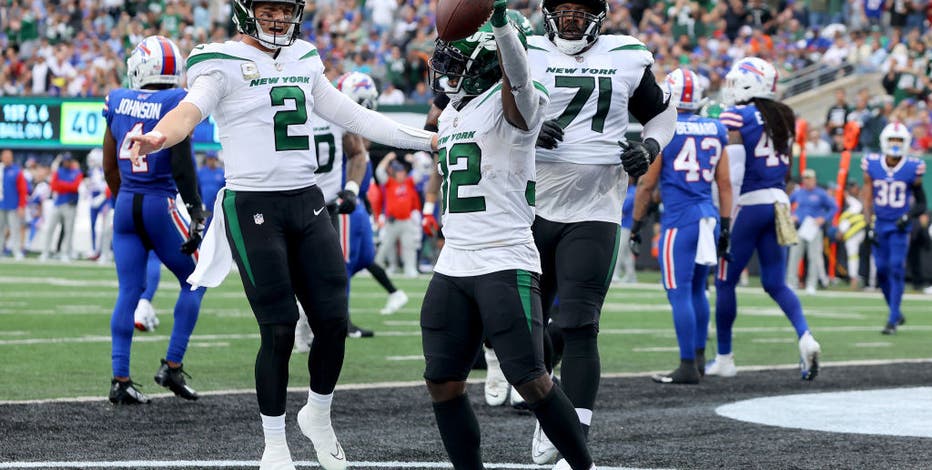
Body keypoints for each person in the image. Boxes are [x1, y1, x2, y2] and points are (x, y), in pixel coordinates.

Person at [128, 1, 436, 468]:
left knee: (333, 323)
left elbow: (354, 116)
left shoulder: (304, 58)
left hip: (307, 200)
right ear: (246, 11)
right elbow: (189, 112)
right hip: (253, 204)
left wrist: (427, 139)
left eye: (285, 9)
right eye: (268, 8)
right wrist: (158, 135)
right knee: (278, 330)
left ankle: (318, 414)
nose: (278, 18)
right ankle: (274, 443)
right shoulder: (219, 61)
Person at [423, 5, 595, 469]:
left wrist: (498, 22)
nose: (448, 74)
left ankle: (583, 466)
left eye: (458, 63)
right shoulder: (451, 114)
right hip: (454, 260)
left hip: (504, 258)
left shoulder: (516, 102)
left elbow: (518, 81)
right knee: (442, 379)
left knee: (532, 379)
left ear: (487, 58)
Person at [526, 0, 676, 462]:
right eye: (563, 7)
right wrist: (530, 127)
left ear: (600, 16)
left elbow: (662, 115)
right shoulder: (523, 49)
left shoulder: (627, 54)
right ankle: (546, 407)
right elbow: (486, 111)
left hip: (596, 206)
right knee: (529, 329)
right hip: (527, 205)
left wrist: (649, 146)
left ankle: (573, 434)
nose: (571, 16)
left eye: (581, 8)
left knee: (579, 324)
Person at [102, 35, 208, 405]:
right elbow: (180, 162)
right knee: (196, 279)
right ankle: (172, 365)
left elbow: (109, 165)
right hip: (159, 202)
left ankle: (120, 379)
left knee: (128, 291)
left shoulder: (116, 99)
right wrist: (196, 210)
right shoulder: (176, 100)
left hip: (127, 201)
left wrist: (125, 198)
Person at [710, 57, 821, 380]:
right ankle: (805, 336)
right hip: (779, 202)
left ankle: (725, 357)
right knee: (775, 282)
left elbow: (726, 158)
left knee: (725, 281)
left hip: (749, 202)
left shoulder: (739, 115)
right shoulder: (784, 116)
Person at [630, 68, 732, 384]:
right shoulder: (716, 128)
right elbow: (725, 183)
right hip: (709, 216)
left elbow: (647, 183)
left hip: (680, 221)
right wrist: (726, 224)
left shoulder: (668, 127)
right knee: (699, 289)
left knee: (679, 293)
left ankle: (687, 364)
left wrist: (636, 224)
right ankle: (699, 358)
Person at [294, 71, 407, 347]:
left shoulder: (350, 128)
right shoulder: (335, 121)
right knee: (334, 269)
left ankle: (332, 319)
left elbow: (360, 152)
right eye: (363, 101)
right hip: (336, 204)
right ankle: (326, 323)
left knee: (363, 257)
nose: (367, 107)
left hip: (354, 202)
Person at [862, 122, 927, 334]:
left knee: (896, 268)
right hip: (880, 223)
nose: (896, 144)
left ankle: (891, 320)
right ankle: (896, 312)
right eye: (893, 140)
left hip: (900, 226)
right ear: (884, 141)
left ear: (906, 143)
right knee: (881, 271)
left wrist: (908, 216)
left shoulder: (912, 167)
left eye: (899, 140)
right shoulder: (872, 164)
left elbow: (921, 202)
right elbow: (868, 195)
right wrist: (867, 223)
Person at [786, 168, 837, 294]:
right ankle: (791, 283)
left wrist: (823, 219)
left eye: (809, 179)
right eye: (805, 178)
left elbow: (834, 207)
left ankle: (811, 284)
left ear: (814, 180)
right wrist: (791, 215)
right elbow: (786, 204)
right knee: (794, 255)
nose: (807, 181)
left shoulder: (820, 193)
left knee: (814, 257)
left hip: (814, 228)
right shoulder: (798, 193)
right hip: (799, 227)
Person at [40, 153, 83, 262]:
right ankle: (45, 251)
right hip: (58, 203)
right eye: (65, 161)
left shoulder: (77, 172)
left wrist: (62, 185)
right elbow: (53, 186)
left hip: (70, 204)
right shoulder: (58, 171)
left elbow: (75, 186)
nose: (66, 163)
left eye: (68, 161)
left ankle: (65, 253)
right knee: (50, 228)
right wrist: (67, 185)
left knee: (69, 230)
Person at [0, 149, 28, 260]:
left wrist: (21, 205)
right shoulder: (0, 170)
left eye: (9, 156)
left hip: (13, 205)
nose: (7, 158)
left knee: (14, 228)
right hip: (1, 204)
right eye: (5, 156)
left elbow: (22, 190)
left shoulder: (17, 171)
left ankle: (16, 250)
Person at [85, 148, 111, 260]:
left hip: (104, 200)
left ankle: (106, 251)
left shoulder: (105, 170)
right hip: (93, 200)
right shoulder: (92, 171)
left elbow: (107, 187)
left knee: (105, 227)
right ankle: (95, 249)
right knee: (93, 226)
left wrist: (102, 197)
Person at [197, 152, 226, 226]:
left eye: (213, 159)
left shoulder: (221, 173)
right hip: (205, 205)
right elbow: (197, 187)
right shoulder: (201, 172)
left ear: (216, 160)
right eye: (209, 159)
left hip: (217, 205)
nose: (211, 161)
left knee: (217, 225)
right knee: (205, 225)